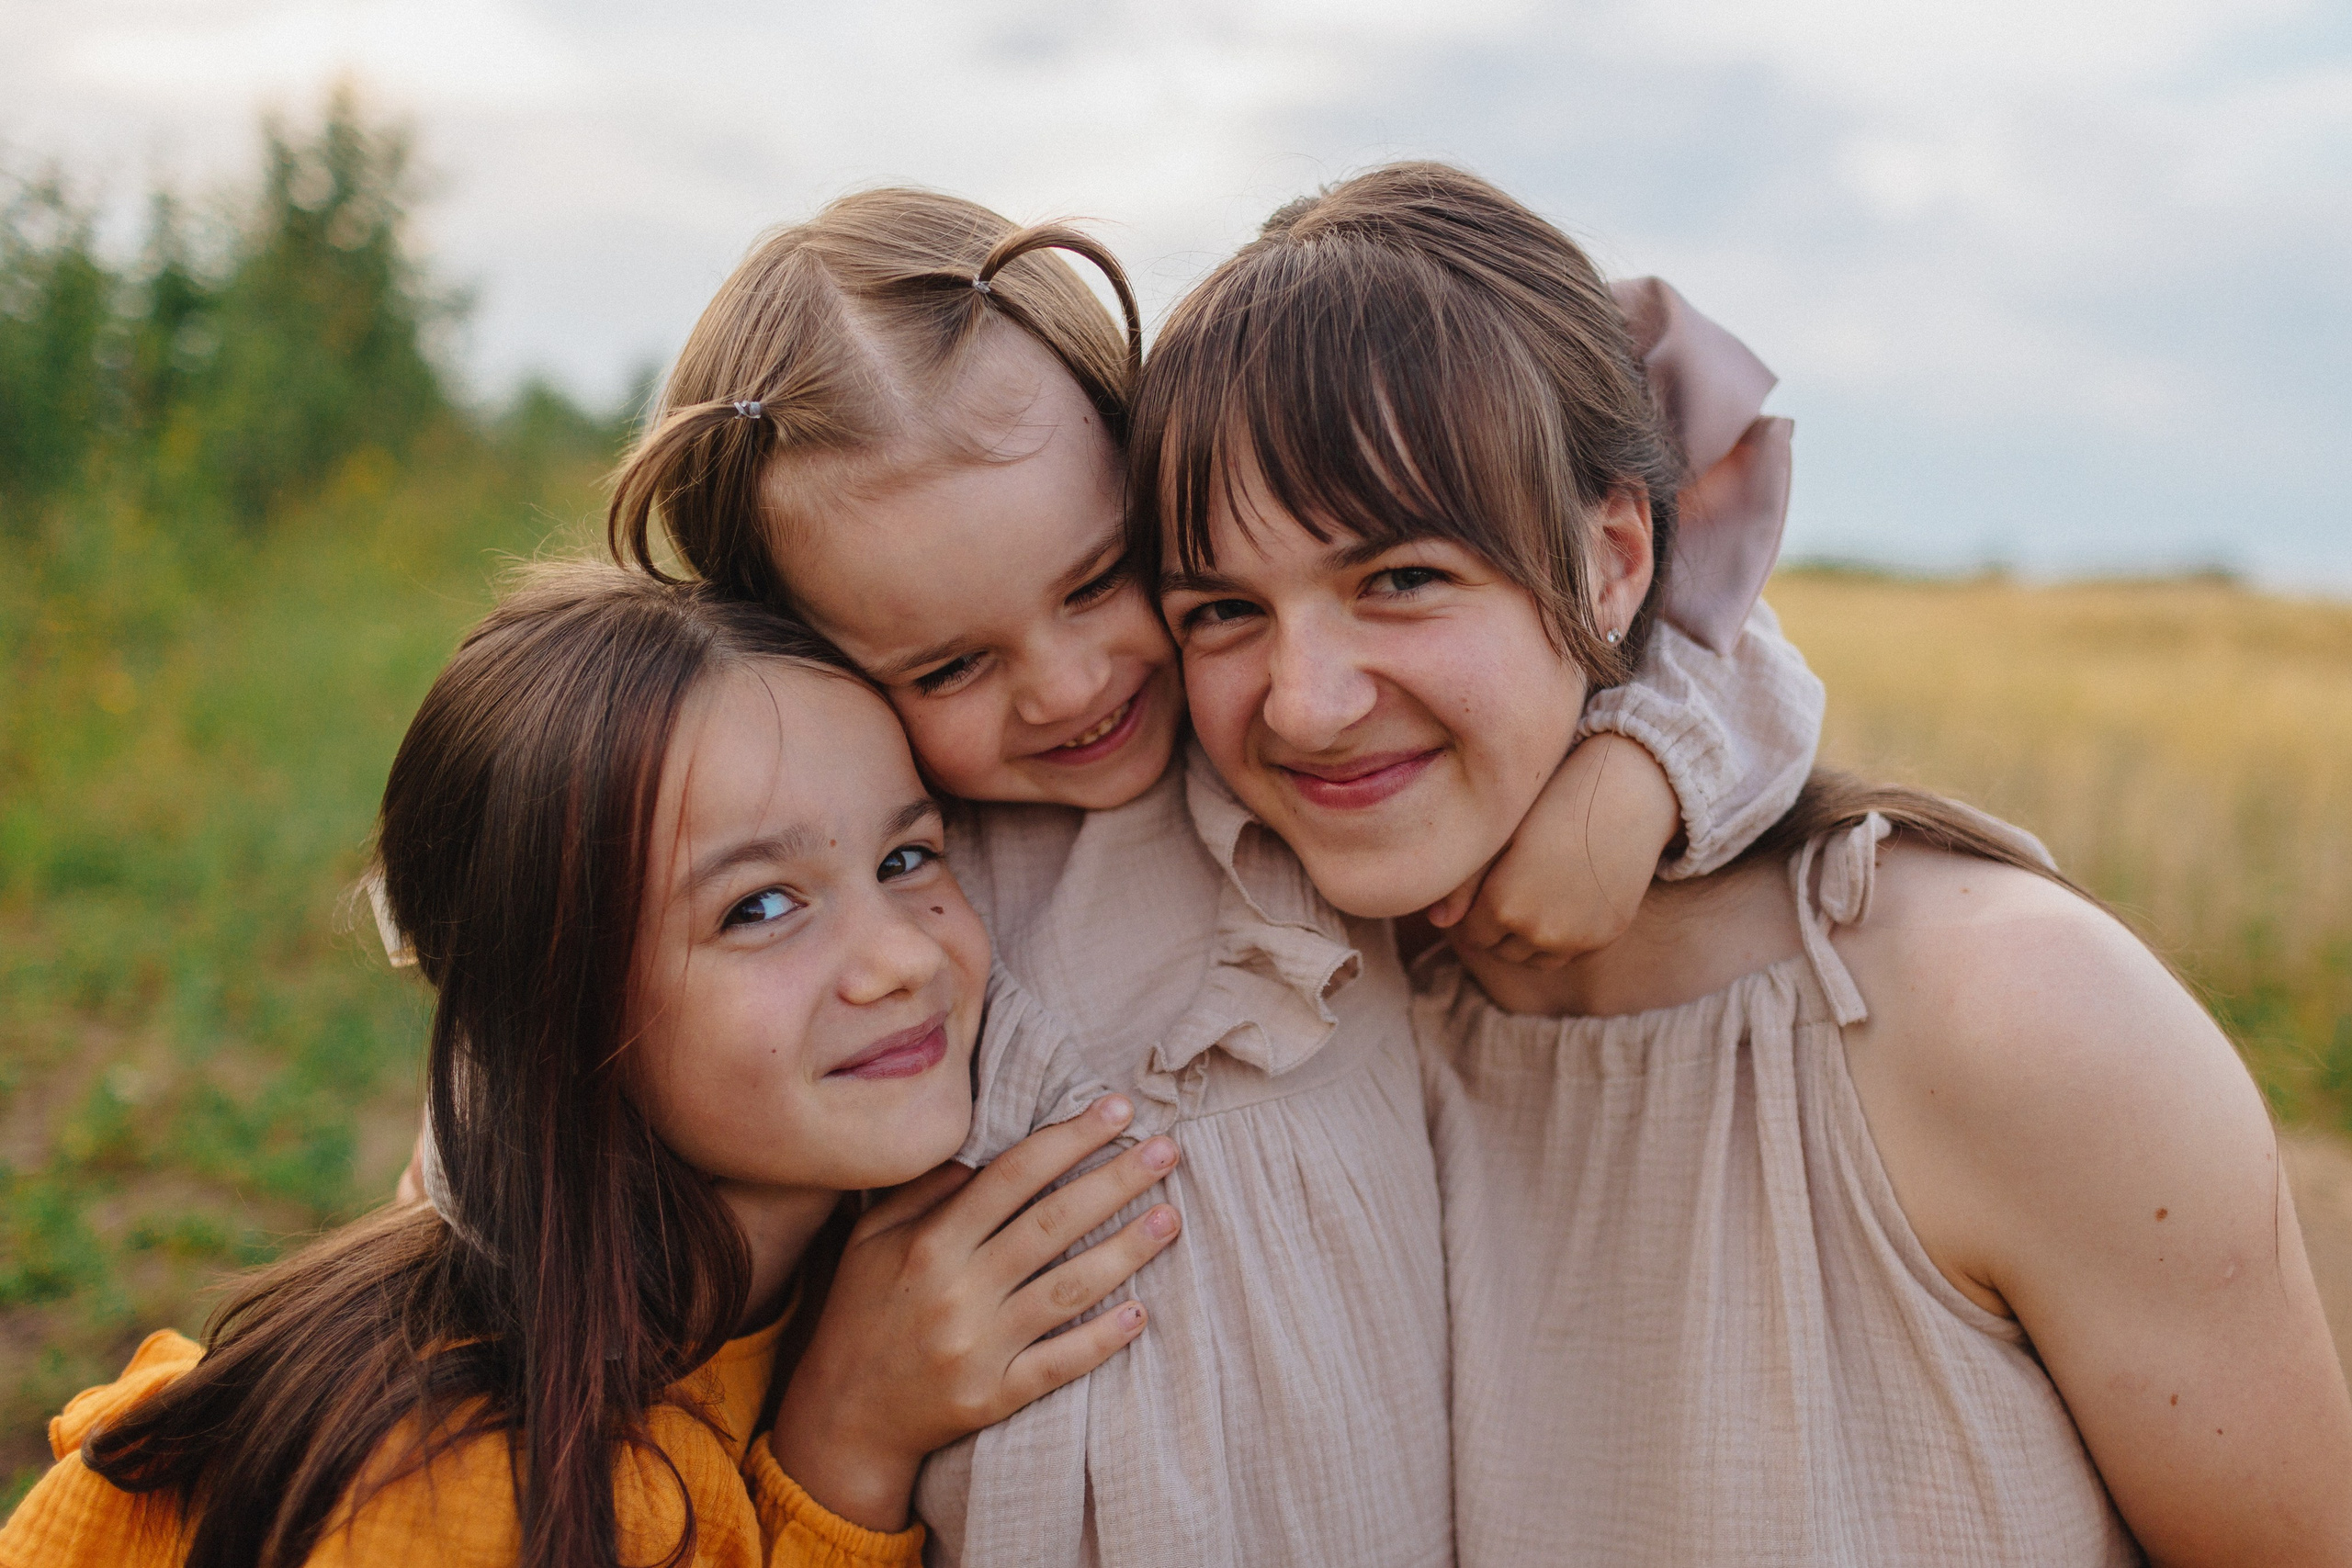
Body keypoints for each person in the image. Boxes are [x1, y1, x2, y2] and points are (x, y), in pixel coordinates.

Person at [1131, 160, 2352, 1566]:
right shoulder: (1302, 1023)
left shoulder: (2010, 1020)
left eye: (1399, 578)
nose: (1301, 701)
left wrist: (1647, 763)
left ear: (1610, 561)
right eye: (1221, 608)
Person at [598, 188, 1819, 1566]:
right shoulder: (889, 920)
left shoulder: (1292, 765)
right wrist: (845, 1428)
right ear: (813, 669)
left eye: (1102, 579)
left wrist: (1632, 777)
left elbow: (1700, 575)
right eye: (947, 666)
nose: (1069, 689)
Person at [0, 562, 1185, 1568]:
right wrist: (844, 1459)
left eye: (906, 856)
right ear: (557, 1016)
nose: (897, 961)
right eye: (761, 906)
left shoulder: (756, 1293)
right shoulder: (461, 1485)